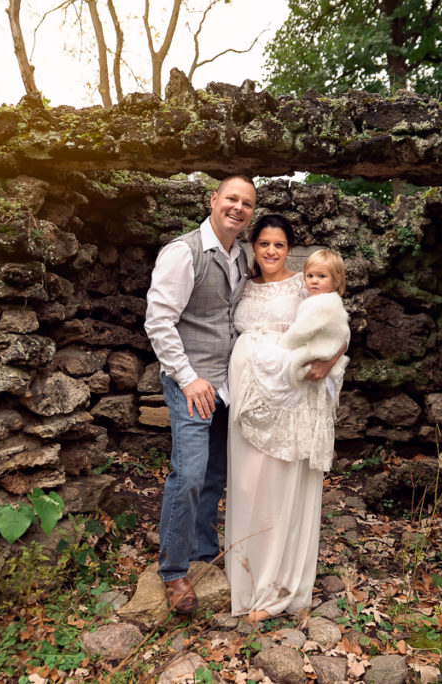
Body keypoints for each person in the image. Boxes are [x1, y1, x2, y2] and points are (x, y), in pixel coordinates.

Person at [144, 175, 256, 615]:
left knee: (214, 474)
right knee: (188, 474)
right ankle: (173, 571)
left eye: (247, 203)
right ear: (213, 200)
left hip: (228, 385)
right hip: (191, 382)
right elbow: (158, 321)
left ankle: (205, 548)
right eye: (232, 198)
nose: (238, 208)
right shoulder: (182, 251)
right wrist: (188, 378)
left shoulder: (241, 256)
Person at [226, 217, 347, 623]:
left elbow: (338, 330)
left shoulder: (306, 284)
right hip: (248, 397)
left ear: (289, 248)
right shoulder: (241, 285)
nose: (271, 251)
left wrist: (327, 362)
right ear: (253, 246)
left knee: (280, 486)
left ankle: (278, 588)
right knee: (246, 485)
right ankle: (245, 577)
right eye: (264, 244)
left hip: (289, 400)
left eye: (279, 244)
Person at [231, 248, 349, 472]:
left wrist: (283, 347)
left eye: (321, 277)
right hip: (252, 375)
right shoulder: (241, 283)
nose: (314, 281)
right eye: (311, 276)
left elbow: (322, 333)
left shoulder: (319, 299)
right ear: (253, 246)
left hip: (302, 367)